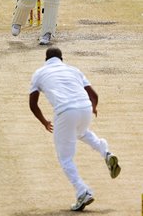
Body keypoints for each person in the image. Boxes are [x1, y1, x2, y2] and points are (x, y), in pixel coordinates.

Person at [29, 47, 121, 211]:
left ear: (46, 59)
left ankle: (82, 191)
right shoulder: (73, 70)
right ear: (62, 59)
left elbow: (33, 104)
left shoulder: (39, 73)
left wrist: (44, 121)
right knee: (82, 132)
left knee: (65, 158)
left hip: (65, 111)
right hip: (84, 107)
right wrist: (93, 108)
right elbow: (94, 95)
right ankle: (106, 151)